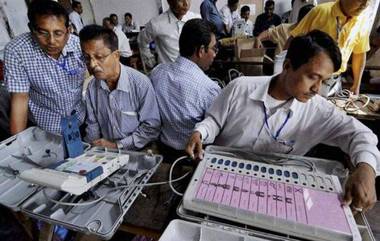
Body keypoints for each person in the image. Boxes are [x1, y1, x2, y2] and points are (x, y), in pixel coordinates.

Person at [186, 30, 379, 213]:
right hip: (222, 178)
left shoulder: (318, 110)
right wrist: (200, 132)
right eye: (312, 77)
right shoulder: (240, 88)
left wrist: (366, 167)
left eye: (324, 81)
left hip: (273, 191)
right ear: (287, 66)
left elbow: (360, 134)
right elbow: (214, 121)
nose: (317, 89)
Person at [4, 0, 86, 135]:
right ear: (31, 28)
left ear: (68, 30)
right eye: (43, 32)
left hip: (79, 121)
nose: (51, 41)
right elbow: (20, 99)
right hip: (45, 130)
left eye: (58, 33)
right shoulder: (16, 51)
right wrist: (20, 144)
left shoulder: (79, 46)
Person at [80, 25, 160, 150]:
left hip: (140, 150)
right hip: (108, 152)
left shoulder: (140, 84)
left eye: (99, 57)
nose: (92, 64)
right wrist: (90, 150)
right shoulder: (92, 88)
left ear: (116, 55)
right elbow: (93, 126)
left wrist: (117, 145)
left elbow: (151, 128)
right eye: (87, 58)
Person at [150, 19, 221, 160]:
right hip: (193, 156)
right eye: (214, 48)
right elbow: (214, 128)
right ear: (201, 51)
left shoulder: (157, 72)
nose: (215, 54)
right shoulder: (209, 88)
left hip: (163, 152)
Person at [288, 0, 371, 94]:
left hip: (334, 81)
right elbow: (293, 40)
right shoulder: (320, 11)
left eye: (369, 1)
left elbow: (359, 53)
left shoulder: (362, 22)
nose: (365, 5)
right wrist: (284, 72)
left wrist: (357, 84)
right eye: (361, 0)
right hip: (309, 77)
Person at [138, 0, 199, 68]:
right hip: (168, 72)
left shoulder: (196, 19)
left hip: (192, 70)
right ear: (169, 1)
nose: (186, 4)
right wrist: (150, 61)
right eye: (180, 0)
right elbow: (142, 40)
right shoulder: (156, 23)